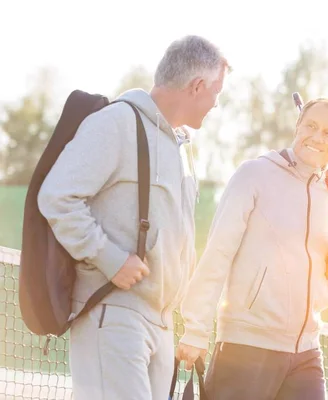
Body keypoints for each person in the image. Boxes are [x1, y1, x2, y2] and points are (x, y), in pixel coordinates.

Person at [37, 35, 230, 400]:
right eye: (216, 93)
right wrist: (109, 258)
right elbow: (57, 196)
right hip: (114, 313)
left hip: (160, 324)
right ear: (197, 86)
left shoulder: (183, 148)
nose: (216, 103)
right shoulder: (117, 123)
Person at [176, 97, 328, 399]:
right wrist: (196, 328)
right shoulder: (254, 175)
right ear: (297, 126)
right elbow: (218, 254)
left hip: (306, 353)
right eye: (311, 126)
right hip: (247, 347)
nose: (317, 137)